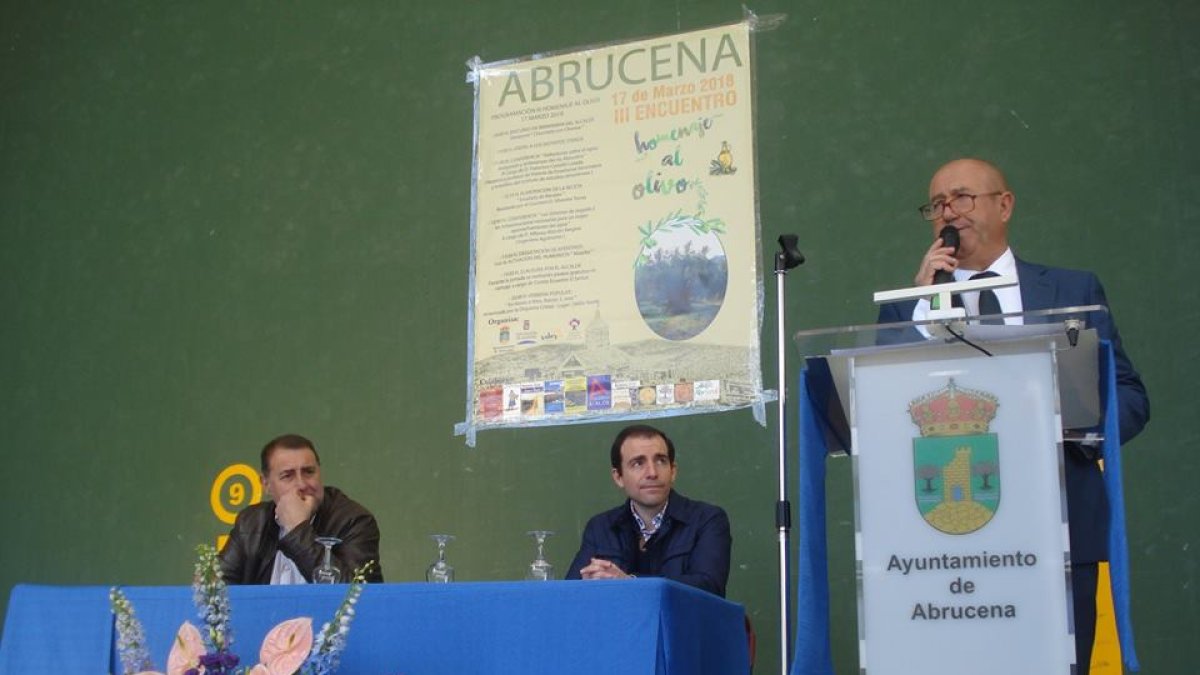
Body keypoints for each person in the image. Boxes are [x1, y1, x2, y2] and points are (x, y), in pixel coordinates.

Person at [878, 158, 1149, 673]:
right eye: (936, 205)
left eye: (961, 198)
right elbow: (877, 414)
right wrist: (924, 303)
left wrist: (1081, 425)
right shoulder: (904, 309)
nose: (947, 213)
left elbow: (1131, 397)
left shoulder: (1072, 292)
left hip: (1063, 532)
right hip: (941, 546)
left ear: (1004, 205)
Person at [566, 424, 732, 597]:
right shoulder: (600, 527)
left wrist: (630, 583)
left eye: (661, 461)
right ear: (618, 477)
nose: (652, 473)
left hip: (682, 624)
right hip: (620, 623)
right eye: (638, 463)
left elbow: (710, 588)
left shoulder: (707, 520)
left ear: (673, 471)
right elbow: (570, 593)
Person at [219, 433, 384, 584]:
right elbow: (218, 589)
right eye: (287, 476)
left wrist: (297, 530)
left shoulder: (353, 521)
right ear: (266, 484)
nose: (302, 484)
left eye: (309, 472)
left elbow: (354, 597)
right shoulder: (251, 522)